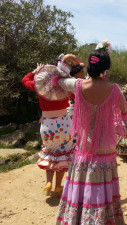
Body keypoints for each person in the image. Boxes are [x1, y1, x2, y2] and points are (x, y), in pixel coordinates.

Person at [55, 41, 127, 224]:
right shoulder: (114, 89)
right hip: (106, 148)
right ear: (105, 68)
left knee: (83, 186)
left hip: (84, 147)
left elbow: (55, 78)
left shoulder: (77, 85)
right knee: (102, 191)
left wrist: (65, 61)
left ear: (89, 65)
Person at [22, 54, 79, 197]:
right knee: (62, 155)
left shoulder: (41, 86)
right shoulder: (65, 87)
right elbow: (77, 93)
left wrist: (35, 71)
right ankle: (59, 186)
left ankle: (48, 182)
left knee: (50, 153)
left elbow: (24, 80)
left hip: (47, 124)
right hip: (65, 124)